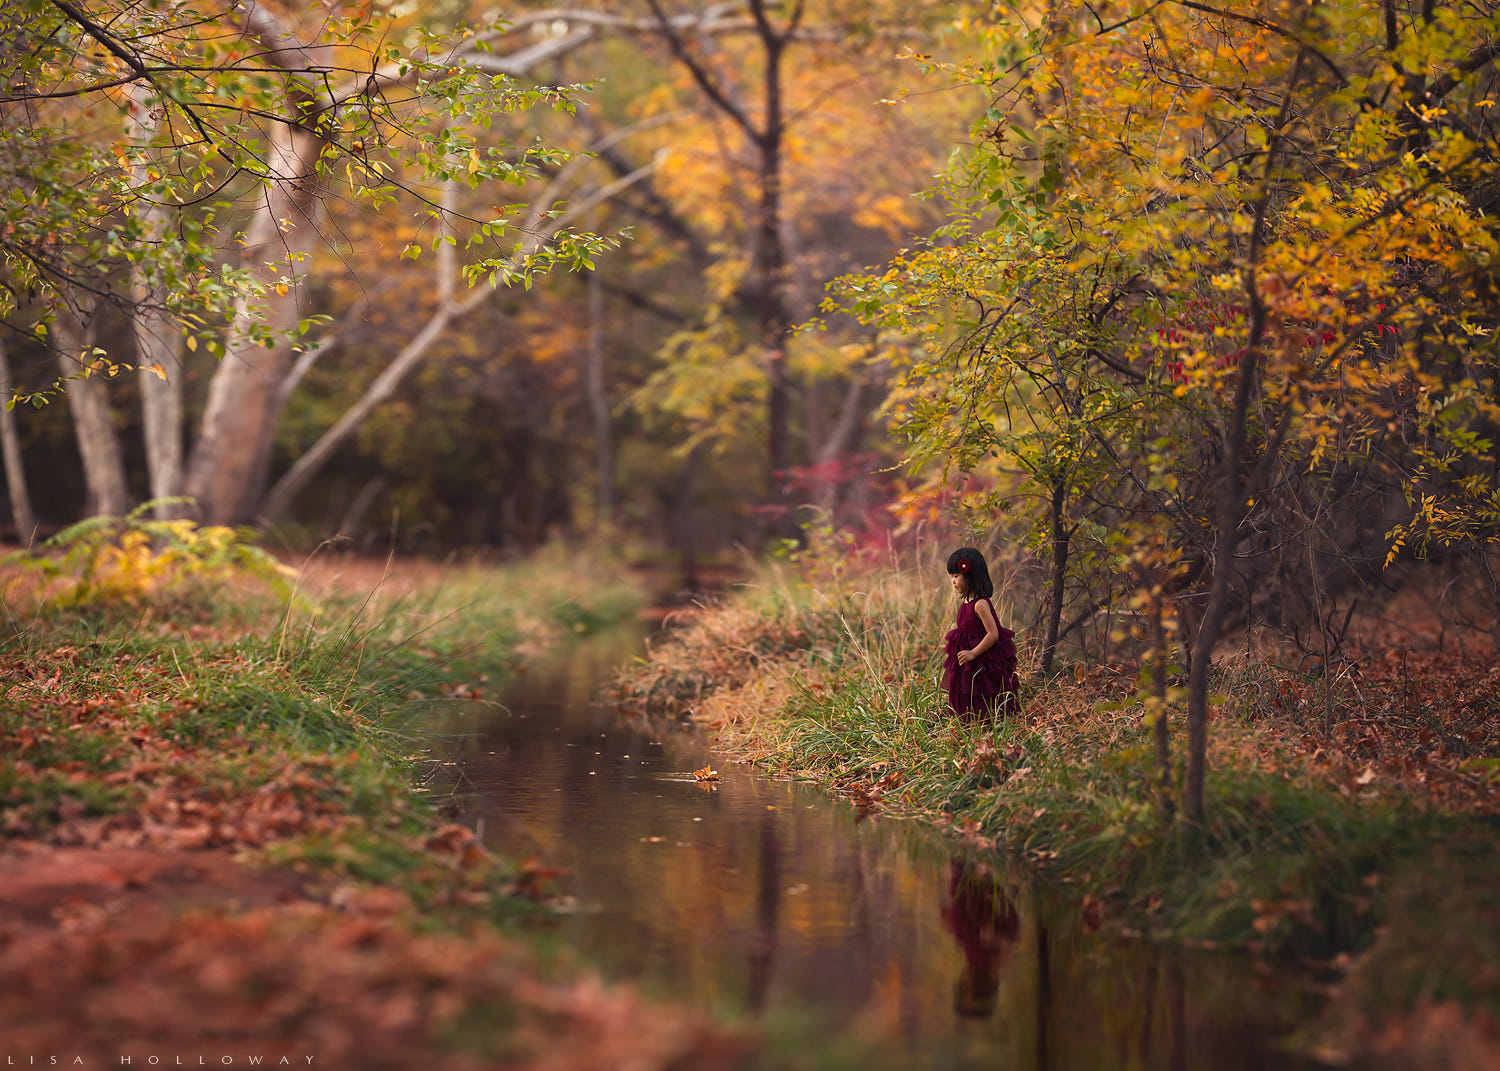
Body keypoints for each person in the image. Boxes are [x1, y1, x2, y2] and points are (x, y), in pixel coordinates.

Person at [941, 547, 1020, 720]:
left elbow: (993, 634)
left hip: (983, 656)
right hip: (968, 657)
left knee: (985, 690)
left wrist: (973, 653)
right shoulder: (966, 602)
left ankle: (990, 721)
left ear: (971, 575)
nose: (953, 581)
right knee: (968, 689)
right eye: (951, 576)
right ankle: (970, 720)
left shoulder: (980, 604)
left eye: (956, 576)